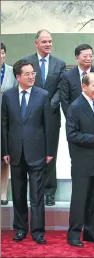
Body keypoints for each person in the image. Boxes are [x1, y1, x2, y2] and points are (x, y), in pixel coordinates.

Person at [1, 59, 54, 244]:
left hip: (37, 151)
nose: (32, 76)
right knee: (18, 193)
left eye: (33, 73)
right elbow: (4, 125)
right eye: (27, 74)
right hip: (15, 152)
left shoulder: (43, 95)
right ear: (17, 77)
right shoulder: (7, 96)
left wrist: (50, 151)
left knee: (37, 194)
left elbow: (49, 125)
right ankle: (20, 229)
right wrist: (5, 150)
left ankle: (38, 231)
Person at [66, 73, 94, 248]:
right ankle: (74, 234)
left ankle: (91, 233)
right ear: (84, 86)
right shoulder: (75, 107)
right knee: (79, 199)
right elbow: (72, 134)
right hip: (82, 162)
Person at [23, 29, 66, 206]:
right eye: (44, 42)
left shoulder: (59, 63)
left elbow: (61, 89)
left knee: (50, 155)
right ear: (36, 43)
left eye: (50, 41)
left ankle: (49, 191)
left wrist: (49, 105)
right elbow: (25, 85)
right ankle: (35, 191)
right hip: (30, 117)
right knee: (32, 154)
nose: (48, 44)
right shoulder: (27, 62)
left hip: (52, 116)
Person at [59, 44, 94, 117]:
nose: (88, 58)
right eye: (85, 56)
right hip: (75, 118)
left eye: (91, 56)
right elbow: (65, 101)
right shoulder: (67, 76)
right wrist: (72, 118)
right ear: (77, 58)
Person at [1, 42, 18, 205]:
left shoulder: (12, 72)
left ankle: (3, 193)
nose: (1, 55)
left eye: (2, 52)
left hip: (6, 120)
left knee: (4, 158)